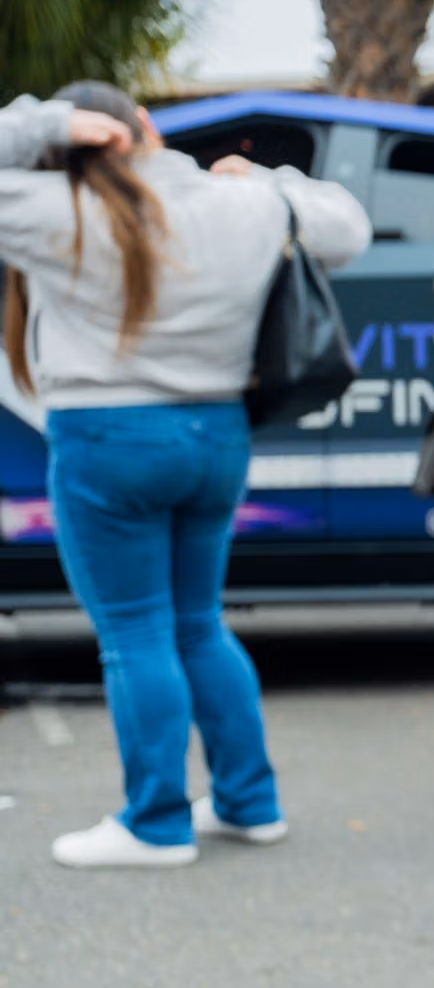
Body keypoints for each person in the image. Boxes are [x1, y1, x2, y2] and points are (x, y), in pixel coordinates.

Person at [0, 83, 371, 868]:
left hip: (109, 438)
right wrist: (274, 181)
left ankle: (156, 823)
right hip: (218, 435)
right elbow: (350, 226)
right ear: (147, 126)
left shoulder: (59, 209)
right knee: (198, 621)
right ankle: (248, 802)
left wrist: (38, 125)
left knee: (134, 630)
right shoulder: (240, 203)